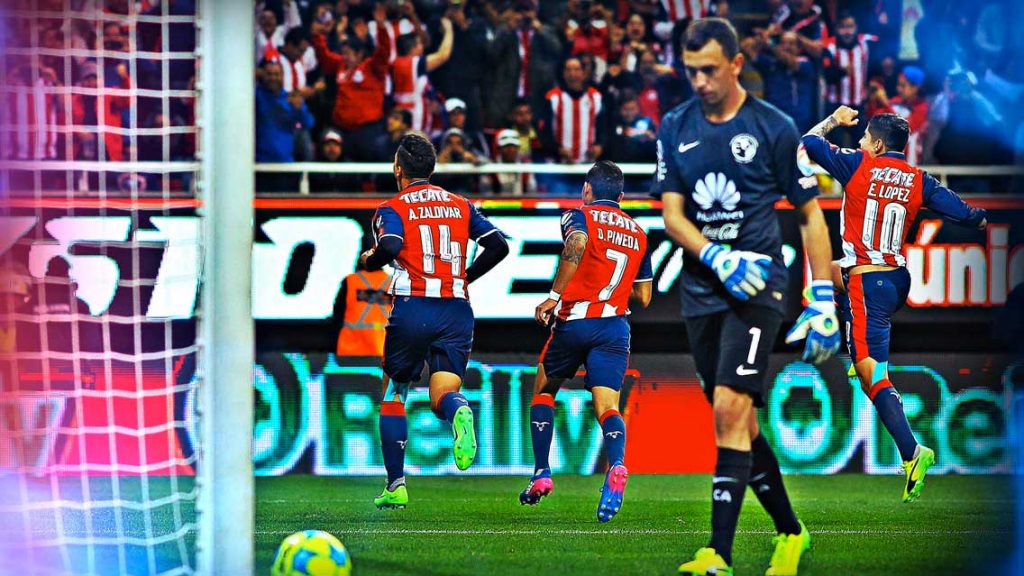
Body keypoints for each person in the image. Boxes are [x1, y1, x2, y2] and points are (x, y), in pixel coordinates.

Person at [653, 19, 838, 576]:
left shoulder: (774, 127)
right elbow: (672, 215)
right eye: (691, 71)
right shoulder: (675, 125)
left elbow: (809, 215)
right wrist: (715, 256)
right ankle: (791, 532)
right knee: (740, 424)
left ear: (736, 64)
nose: (700, 82)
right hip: (702, 290)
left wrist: (822, 298)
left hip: (760, 286)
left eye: (709, 70)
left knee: (729, 409)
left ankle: (718, 554)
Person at [801, 106, 987, 503]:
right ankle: (856, 351)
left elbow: (808, 144)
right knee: (827, 273)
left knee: (874, 378)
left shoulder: (858, 164)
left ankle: (912, 452)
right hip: (896, 279)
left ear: (878, 144)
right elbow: (967, 215)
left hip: (866, 282)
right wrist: (980, 219)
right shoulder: (919, 179)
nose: (861, 142)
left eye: (865, 137)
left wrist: (834, 121)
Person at [360, 133, 510, 509]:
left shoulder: (391, 207)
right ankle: (460, 410)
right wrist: (465, 277)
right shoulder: (460, 204)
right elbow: (499, 245)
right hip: (456, 308)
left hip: (414, 307)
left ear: (398, 168)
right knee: (442, 392)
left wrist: (371, 260)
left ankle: (396, 484)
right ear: (432, 167)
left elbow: (390, 245)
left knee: (395, 392)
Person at [519, 161, 652, 523]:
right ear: (621, 196)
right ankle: (618, 464)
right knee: (608, 406)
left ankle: (542, 472)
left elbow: (577, 243)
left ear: (587, 190)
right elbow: (644, 297)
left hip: (575, 321)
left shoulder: (578, 216)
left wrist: (553, 296)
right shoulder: (639, 233)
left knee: (544, 391)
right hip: (614, 328)